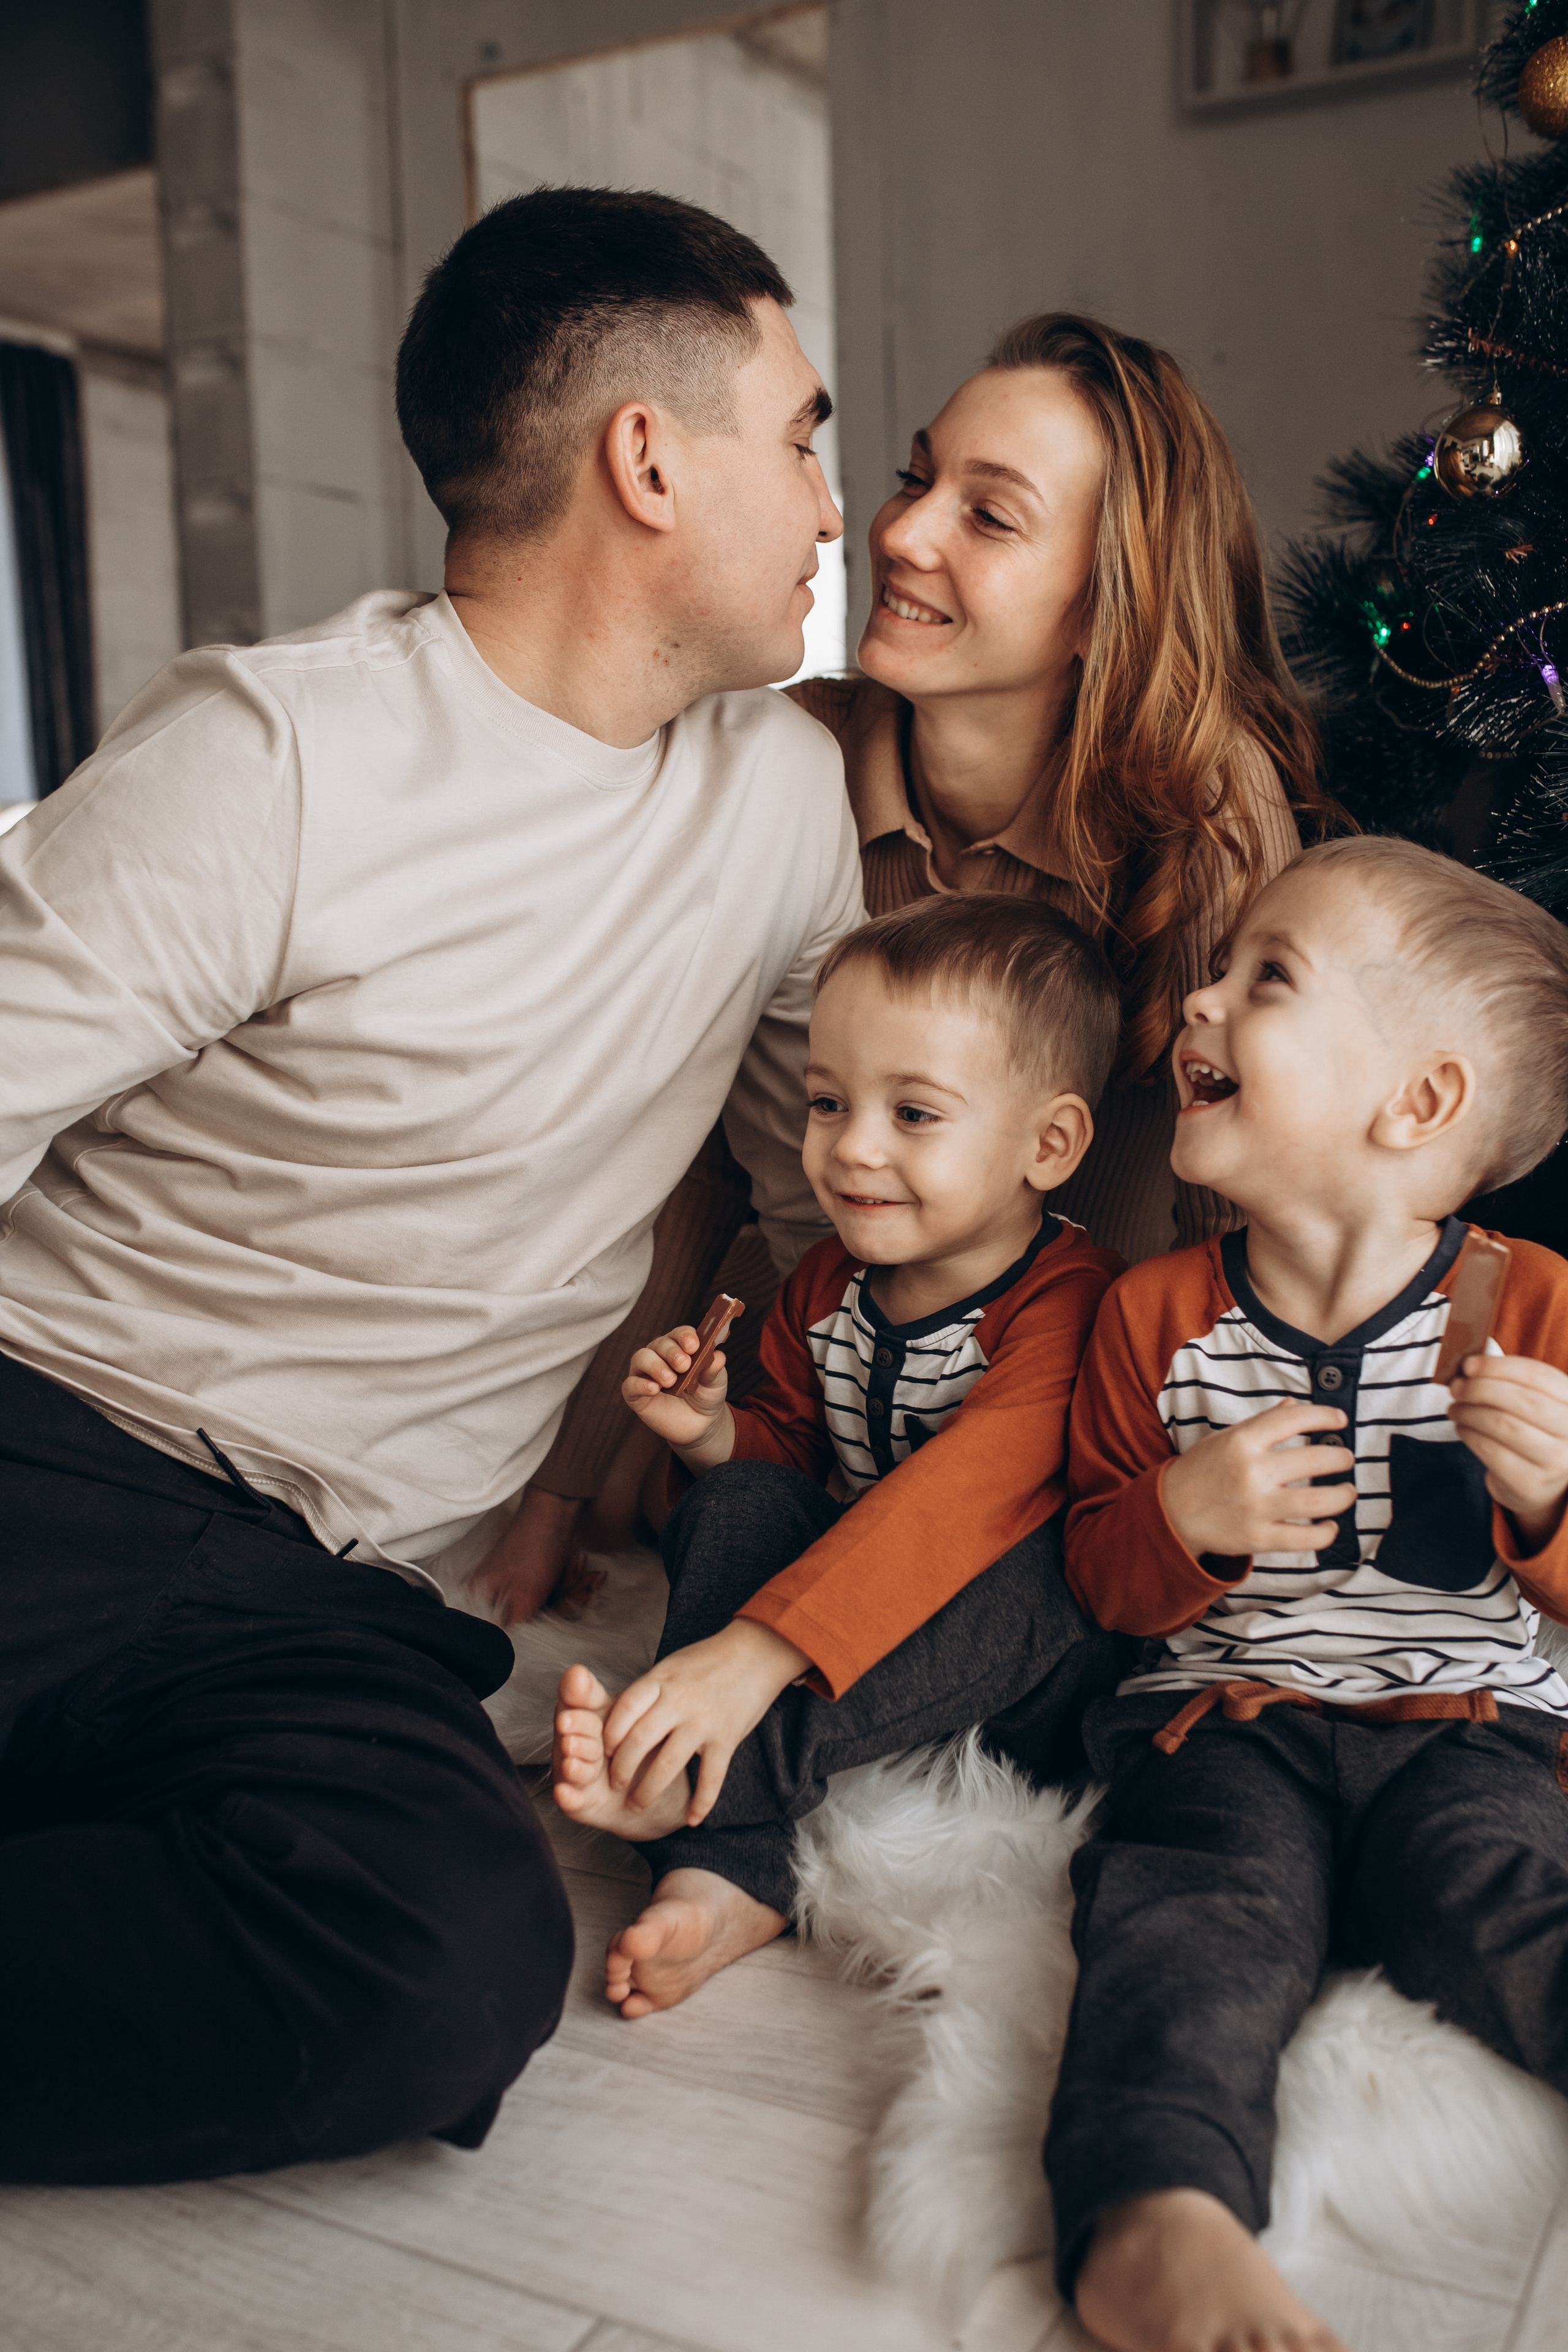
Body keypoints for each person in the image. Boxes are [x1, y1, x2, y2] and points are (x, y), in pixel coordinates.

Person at [0, 185, 862, 2182]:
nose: (834, 509)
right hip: (54, 1450)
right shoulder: (277, 757)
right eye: (804, 439)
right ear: (649, 460)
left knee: (447, 1966)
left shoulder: (785, 804)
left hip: (334, 1592)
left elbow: (821, 1217)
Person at [498, 312, 1338, 1621]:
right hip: (812, 1380)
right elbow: (691, 1153)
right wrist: (559, 1495)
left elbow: (1241, 1212)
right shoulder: (788, 765)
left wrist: (1193, 1514)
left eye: (988, 516)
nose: (898, 532)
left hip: (1072, 1409)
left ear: (1105, 600)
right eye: (914, 476)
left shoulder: (1202, 817)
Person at [1047, 835, 1568, 2352]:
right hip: (1228, 1721)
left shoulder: (1531, 1307)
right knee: (1188, 1921)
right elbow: (1094, 1582)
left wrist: (1549, 1503)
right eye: (1217, 969)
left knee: (1503, 1902)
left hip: (1470, 1731)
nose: (1197, 1002)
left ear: (1416, 1104)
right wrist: (1178, 1518)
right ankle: (1155, 2212)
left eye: (1263, 978)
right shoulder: (1151, 1316)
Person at [552, 894, 1128, 2015]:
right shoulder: (828, 1283)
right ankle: (727, 1875)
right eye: (829, 1102)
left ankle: (703, 1775)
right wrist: (714, 1433)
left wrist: (749, 1657)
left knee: (1047, 1564)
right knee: (737, 1503)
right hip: (857, 1658)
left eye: (914, 1113)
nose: (854, 1146)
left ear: (1048, 1145)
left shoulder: (1073, 1304)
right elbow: (793, 1458)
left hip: (1025, 1677)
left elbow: (962, 1505)